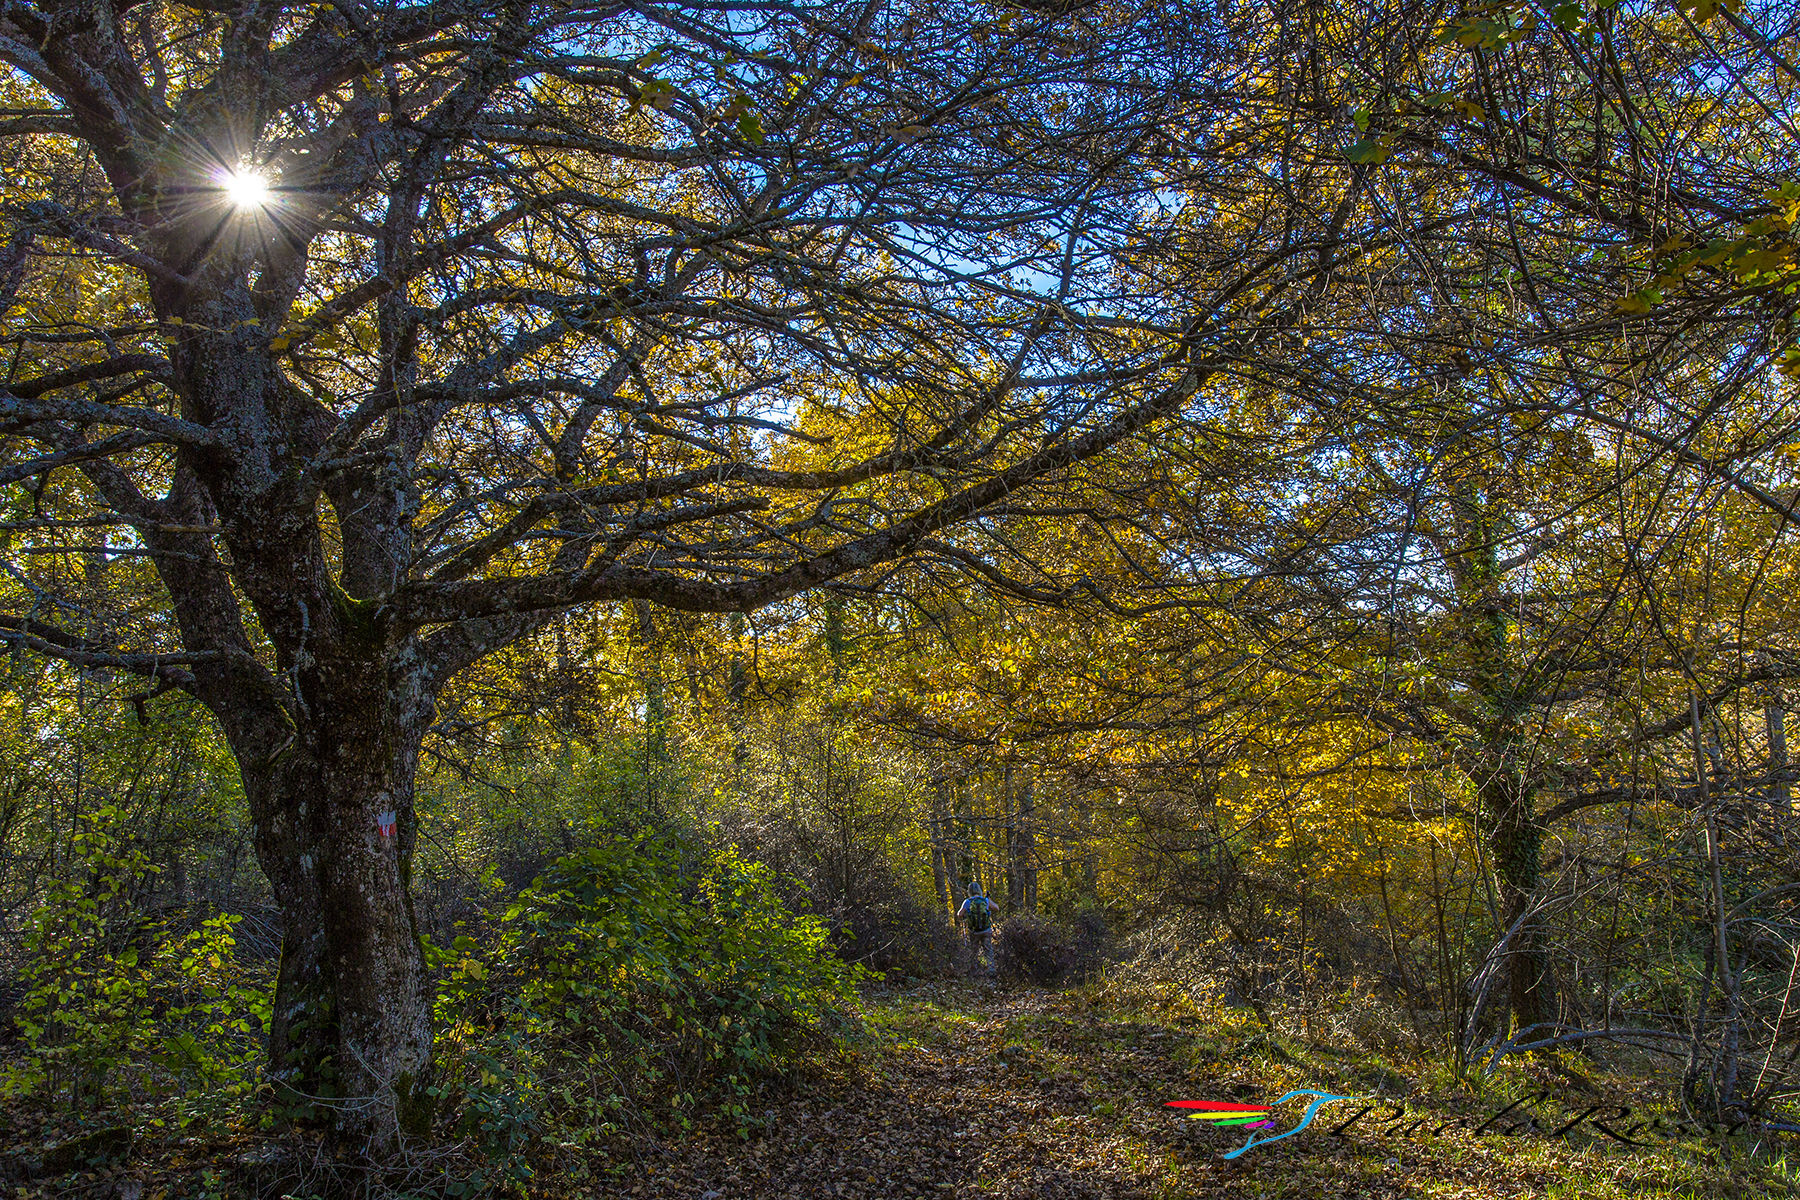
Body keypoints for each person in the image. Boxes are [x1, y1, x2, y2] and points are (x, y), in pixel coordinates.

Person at [957, 881, 996, 974]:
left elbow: (959, 914)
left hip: (973, 931)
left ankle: (974, 970)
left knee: (974, 950)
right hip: (986, 929)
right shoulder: (985, 900)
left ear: (969, 891)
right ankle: (991, 970)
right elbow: (996, 908)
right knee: (988, 950)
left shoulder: (967, 901)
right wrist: (988, 899)